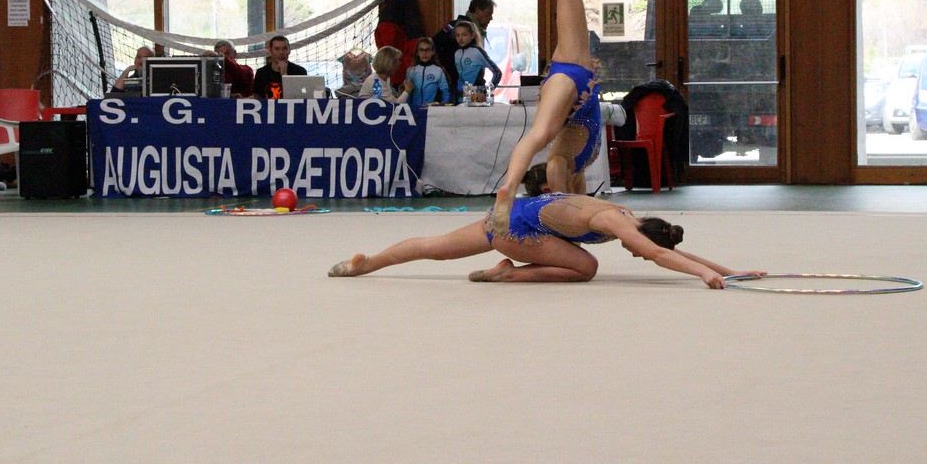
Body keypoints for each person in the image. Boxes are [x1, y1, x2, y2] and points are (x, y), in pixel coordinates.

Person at [327, 189, 765, 288]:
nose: (642, 254)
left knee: (435, 248)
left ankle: (366, 264)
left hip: (512, 211)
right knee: (587, 267)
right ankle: (509, 274)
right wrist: (707, 278)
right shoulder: (620, 226)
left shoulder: (626, 216)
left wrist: (731, 271)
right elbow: (655, 253)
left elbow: (665, 250)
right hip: (515, 229)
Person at [491, 0, 601, 228]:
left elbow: (557, 170)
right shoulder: (572, 166)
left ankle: (508, 188)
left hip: (571, 72)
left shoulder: (562, 163)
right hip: (572, 73)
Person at [433, 0, 496, 90]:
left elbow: (496, 71)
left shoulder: (479, 31)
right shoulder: (454, 26)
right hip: (456, 85)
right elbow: (434, 43)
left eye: (464, 35)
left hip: (475, 86)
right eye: (488, 14)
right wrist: (444, 70)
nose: (491, 18)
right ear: (478, 10)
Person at [453, 19, 501, 102]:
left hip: (477, 95)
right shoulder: (457, 53)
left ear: (472, 36)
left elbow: (497, 72)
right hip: (461, 96)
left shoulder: (477, 51)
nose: (460, 38)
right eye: (457, 35)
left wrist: (486, 92)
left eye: (464, 35)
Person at [252, 34, 307, 99]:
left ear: (289, 51)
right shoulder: (261, 73)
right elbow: (257, 98)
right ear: (270, 51)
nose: (281, 52)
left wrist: (284, 74)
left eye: (284, 49)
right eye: (277, 49)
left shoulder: (299, 72)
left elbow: (299, 99)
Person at [405, 37, 450, 107]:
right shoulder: (411, 70)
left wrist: (443, 107)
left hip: (431, 111)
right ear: (417, 52)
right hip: (414, 109)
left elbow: (445, 92)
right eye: (421, 50)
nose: (424, 53)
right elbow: (407, 93)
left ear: (433, 52)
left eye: (428, 50)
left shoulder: (438, 70)